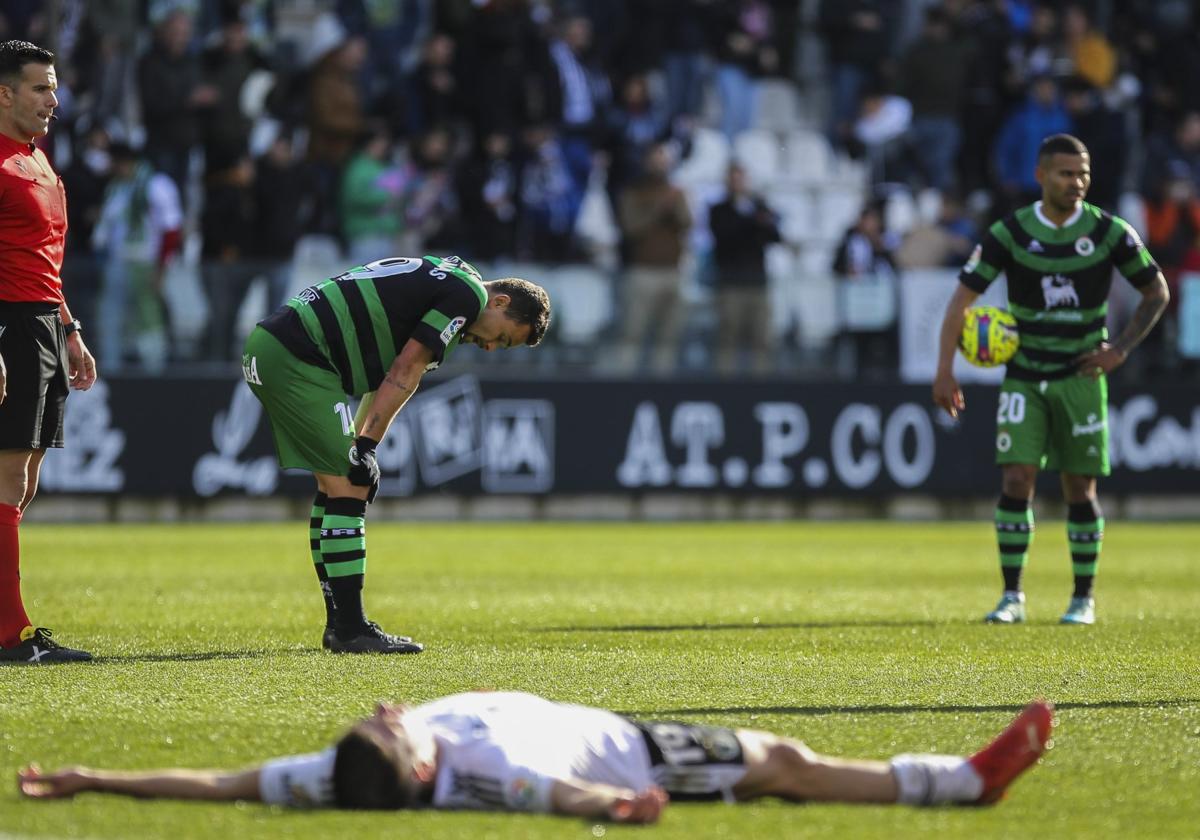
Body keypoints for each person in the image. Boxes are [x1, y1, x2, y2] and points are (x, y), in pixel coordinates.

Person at [16, 690, 1054, 821]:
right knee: (786, 760)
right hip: (645, 755)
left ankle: (953, 782)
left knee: (785, 760)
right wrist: (615, 810)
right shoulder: (473, 775)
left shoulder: (337, 776)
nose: (386, 714)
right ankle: (959, 784)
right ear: (424, 771)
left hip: (625, 734)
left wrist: (93, 777)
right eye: (394, 726)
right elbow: (550, 793)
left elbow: (219, 785)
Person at [241, 256, 550, 654]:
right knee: (349, 484)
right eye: (503, 338)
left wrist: (364, 442)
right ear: (501, 302)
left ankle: (341, 622)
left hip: (277, 347)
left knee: (338, 484)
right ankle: (351, 629)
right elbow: (406, 369)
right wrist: (365, 448)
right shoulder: (468, 297)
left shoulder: (456, 281)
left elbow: (392, 374)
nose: (490, 348)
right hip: (297, 355)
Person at [932, 134, 1170, 627]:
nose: (1077, 183)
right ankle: (1011, 596)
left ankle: (1082, 599)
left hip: (1081, 376)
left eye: (1083, 173)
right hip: (1024, 374)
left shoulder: (1109, 231)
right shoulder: (1011, 233)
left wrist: (1120, 349)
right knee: (1017, 477)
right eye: (1066, 173)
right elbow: (961, 301)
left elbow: (1157, 292)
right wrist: (944, 371)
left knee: (1079, 488)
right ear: (1041, 176)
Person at [0, 40, 98, 665]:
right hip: (7, 325)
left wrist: (70, 330)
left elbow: (47, 262)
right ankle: (10, 635)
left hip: (42, 327)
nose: (53, 100)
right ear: (4, 93)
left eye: (54, 88)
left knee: (24, 480)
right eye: (40, 88)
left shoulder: (40, 164)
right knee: (8, 477)